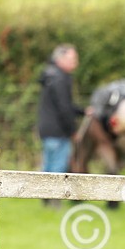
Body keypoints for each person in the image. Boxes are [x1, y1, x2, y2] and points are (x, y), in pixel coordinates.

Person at [36, 44, 85, 208]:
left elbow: (64, 105)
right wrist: (72, 131)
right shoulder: (61, 78)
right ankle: (54, 203)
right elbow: (64, 108)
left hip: (46, 129)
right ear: (60, 59)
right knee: (57, 167)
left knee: (48, 166)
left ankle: (45, 201)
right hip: (58, 131)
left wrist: (83, 111)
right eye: (72, 59)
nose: (75, 63)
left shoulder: (50, 75)